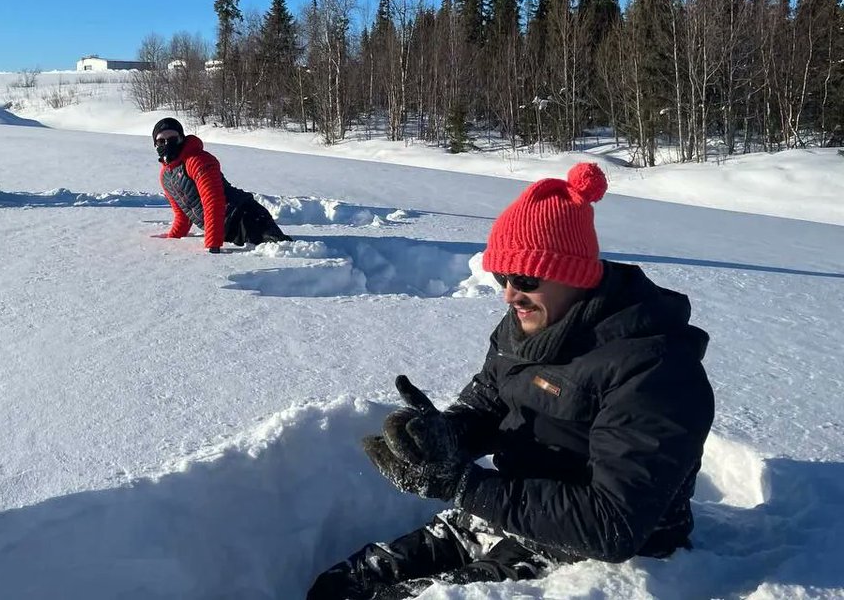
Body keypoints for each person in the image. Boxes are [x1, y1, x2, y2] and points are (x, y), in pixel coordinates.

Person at [307, 162, 715, 599]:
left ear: (574, 274)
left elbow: (612, 526)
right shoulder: (529, 323)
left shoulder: (654, 368)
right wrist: (446, 437)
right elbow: (490, 399)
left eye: (524, 279)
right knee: (340, 587)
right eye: (502, 276)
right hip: (512, 505)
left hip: (595, 552)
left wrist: (463, 485)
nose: (508, 294)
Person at [151, 117, 289, 252]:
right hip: (225, 230)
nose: (167, 144)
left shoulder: (198, 160)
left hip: (245, 217)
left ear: (181, 138)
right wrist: (172, 238)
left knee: (282, 249)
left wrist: (213, 243)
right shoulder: (166, 176)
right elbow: (182, 214)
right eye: (161, 141)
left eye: (173, 139)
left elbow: (213, 200)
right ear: (155, 145)